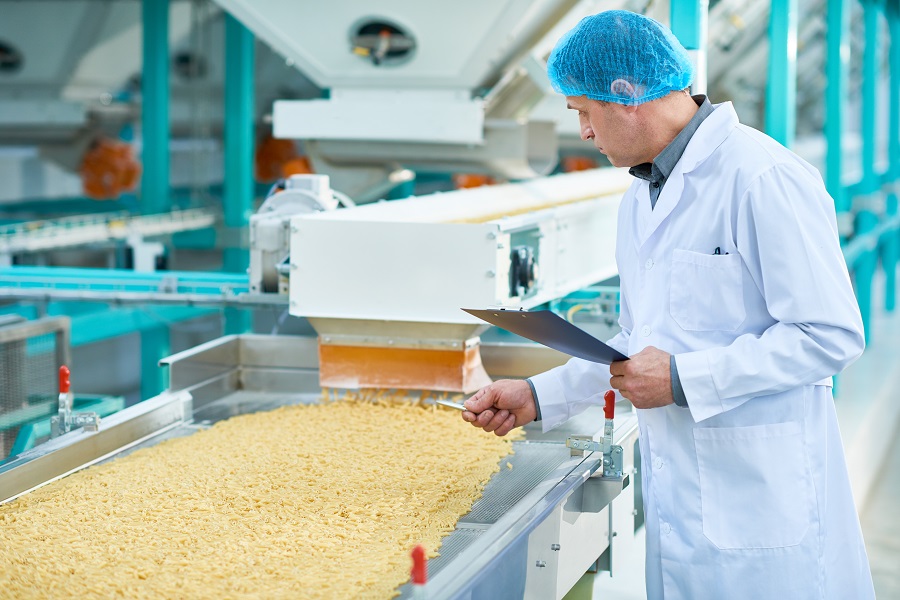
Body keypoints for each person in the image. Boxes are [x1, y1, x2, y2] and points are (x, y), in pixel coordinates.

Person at [462, 10, 875, 599]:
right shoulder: (642, 195)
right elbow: (637, 341)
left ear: (626, 95)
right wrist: (537, 396)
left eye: (583, 111)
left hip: (761, 505)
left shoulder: (763, 177)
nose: (582, 132)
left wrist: (684, 378)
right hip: (686, 501)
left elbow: (830, 335)